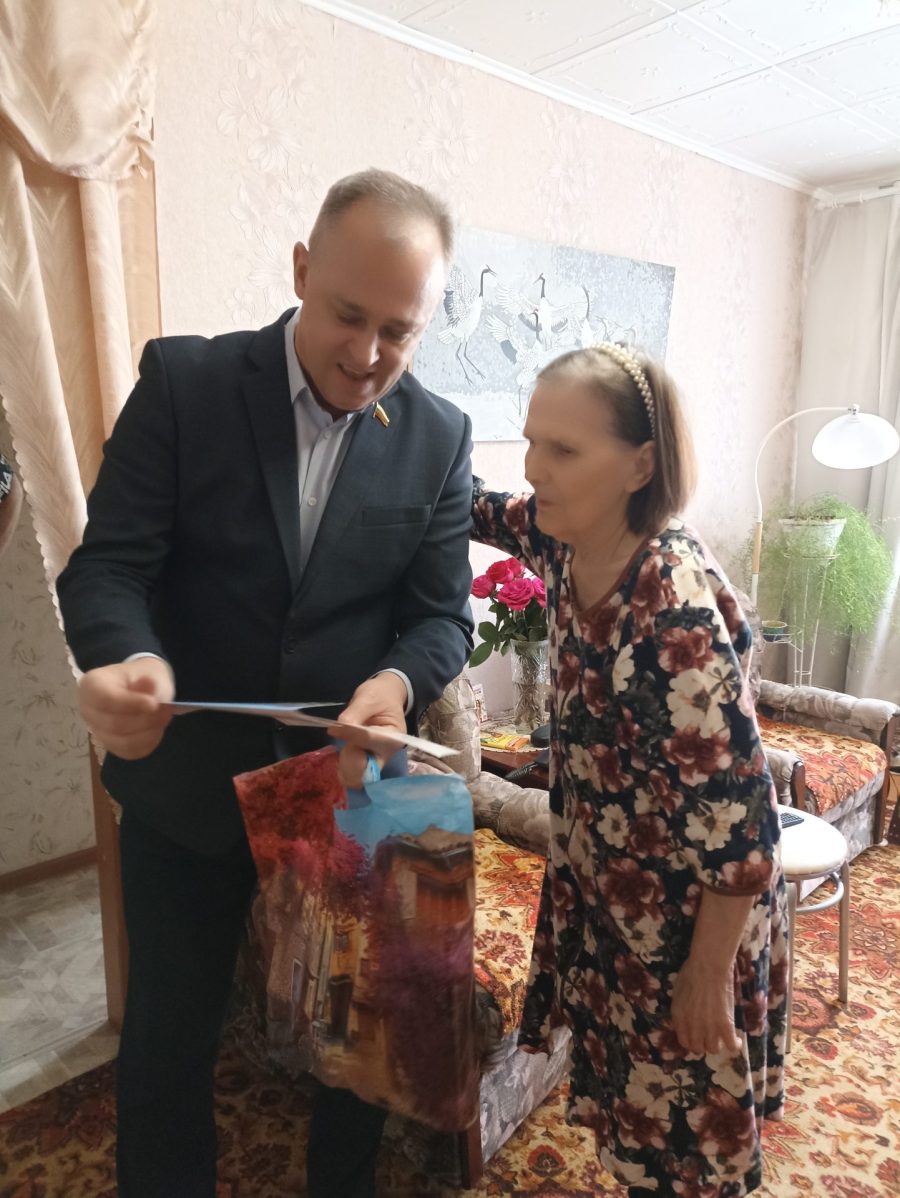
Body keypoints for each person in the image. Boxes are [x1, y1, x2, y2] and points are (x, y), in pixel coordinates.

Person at [56, 168, 475, 1198]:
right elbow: (109, 567)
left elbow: (441, 617)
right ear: (299, 270)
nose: (367, 355)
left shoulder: (440, 436)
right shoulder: (185, 382)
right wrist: (129, 656)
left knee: (361, 1046)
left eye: (399, 331)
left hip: (348, 786)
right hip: (188, 782)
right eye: (347, 315)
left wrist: (396, 678)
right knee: (167, 1041)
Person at [471, 343, 788, 1197]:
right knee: (635, 1125)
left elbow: (745, 832)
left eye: (563, 450)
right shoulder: (569, 538)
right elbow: (485, 509)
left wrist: (706, 976)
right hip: (616, 895)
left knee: (687, 1148)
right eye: (530, 441)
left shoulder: (670, 614)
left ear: (640, 465)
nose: (534, 468)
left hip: (687, 924)